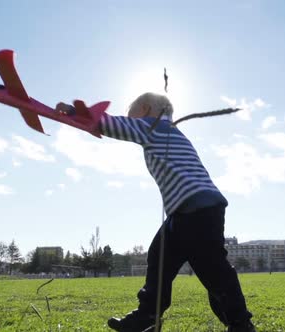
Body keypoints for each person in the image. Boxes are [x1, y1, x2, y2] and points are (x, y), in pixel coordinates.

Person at [90, 92, 255, 332]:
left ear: (146, 110)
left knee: (213, 270)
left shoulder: (154, 126)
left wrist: (84, 116)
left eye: (134, 116)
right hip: (183, 213)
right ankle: (147, 317)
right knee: (159, 258)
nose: (133, 122)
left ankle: (240, 324)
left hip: (198, 208)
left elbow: (117, 126)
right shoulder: (169, 132)